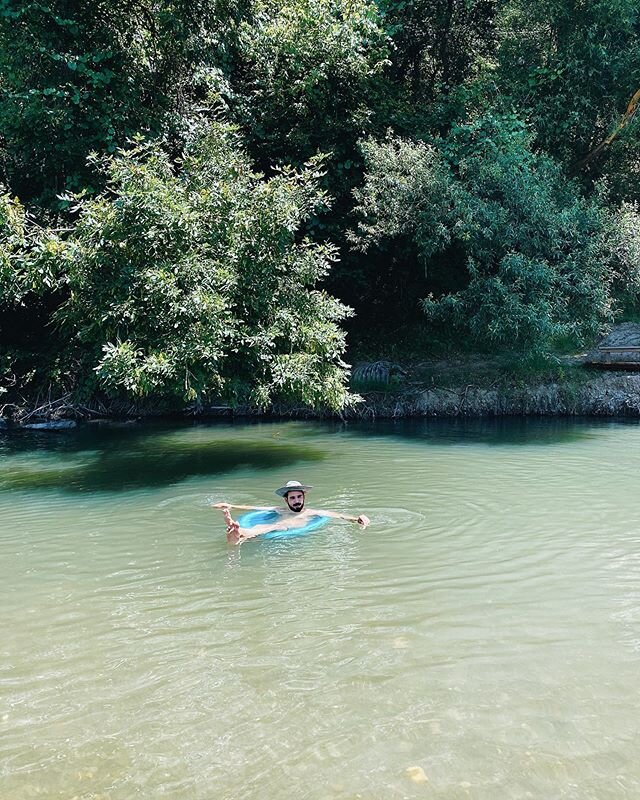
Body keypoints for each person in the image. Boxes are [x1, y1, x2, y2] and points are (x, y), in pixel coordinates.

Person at [212, 480, 370, 544]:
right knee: (271, 526)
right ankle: (237, 534)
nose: (296, 500)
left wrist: (358, 519)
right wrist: (231, 505)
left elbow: (338, 515)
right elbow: (254, 508)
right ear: (286, 500)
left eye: (299, 497)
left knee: (278, 527)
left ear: (304, 497)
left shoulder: (313, 513)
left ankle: (239, 533)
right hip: (274, 526)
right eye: (292, 498)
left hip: (287, 528)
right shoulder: (279, 509)